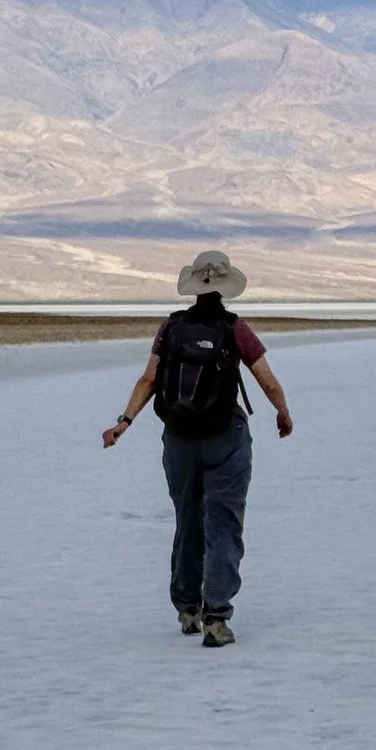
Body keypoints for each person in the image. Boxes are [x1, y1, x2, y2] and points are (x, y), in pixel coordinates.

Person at [101, 251, 294, 647]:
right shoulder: (235, 328)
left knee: (187, 519)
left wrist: (124, 421)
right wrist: (283, 412)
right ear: (227, 288)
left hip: (179, 440)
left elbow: (149, 379)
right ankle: (216, 618)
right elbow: (267, 380)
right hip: (226, 439)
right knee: (223, 525)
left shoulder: (171, 327)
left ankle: (188, 609)